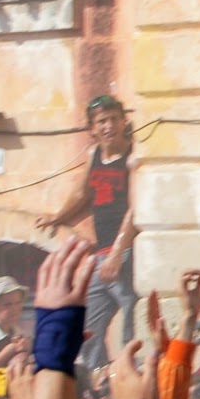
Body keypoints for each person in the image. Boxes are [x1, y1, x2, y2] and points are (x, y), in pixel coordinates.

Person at [35, 94, 140, 372]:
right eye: (102, 121)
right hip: (99, 254)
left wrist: (118, 252)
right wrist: (57, 216)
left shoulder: (133, 157)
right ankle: (97, 379)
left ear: (123, 121)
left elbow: (135, 209)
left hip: (126, 253)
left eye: (113, 119)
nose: (108, 126)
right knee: (89, 326)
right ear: (92, 129)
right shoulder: (94, 156)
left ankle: (135, 375)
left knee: (133, 320)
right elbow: (82, 193)